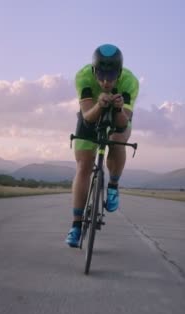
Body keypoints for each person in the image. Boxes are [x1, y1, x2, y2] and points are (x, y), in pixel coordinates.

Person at [65, 44, 139, 248]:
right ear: (94, 70)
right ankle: (76, 225)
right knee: (83, 166)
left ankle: (113, 185)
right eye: (101, 75)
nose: (106, 82)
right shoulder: (83, 76)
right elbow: (88, 117)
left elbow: (124, 122)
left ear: (120, 72)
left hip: (119, 115)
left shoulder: (130, 81)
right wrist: (99, 104)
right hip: (91, 113)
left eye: (112, 76)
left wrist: (116, 109)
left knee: (118, 138)